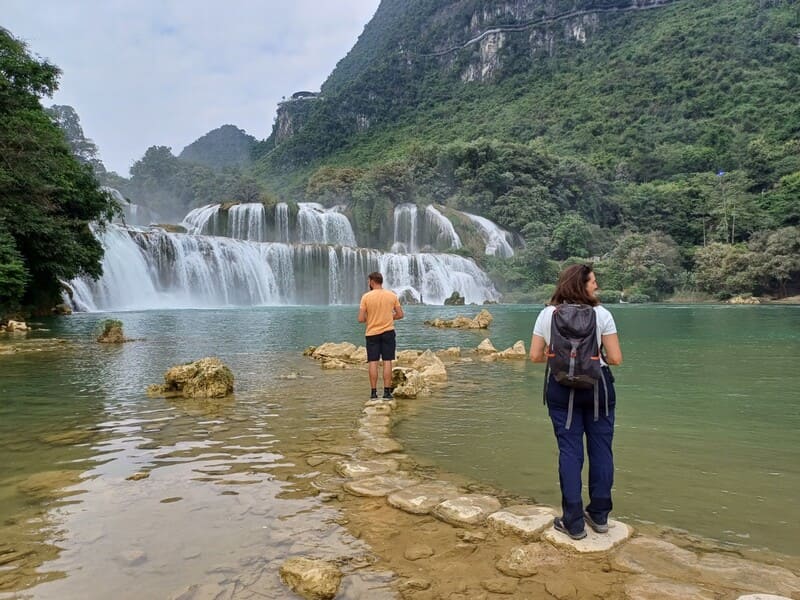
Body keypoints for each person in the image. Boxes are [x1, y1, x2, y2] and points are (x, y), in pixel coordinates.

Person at [529, 264, 623, 540]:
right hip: (598, 388)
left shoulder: (547, 314)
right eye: (593, 282)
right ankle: (600, 516)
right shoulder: (602, 314)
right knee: (601, 450)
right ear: (580, 285)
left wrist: (562, 358)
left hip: (561, 388)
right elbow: (615, 358)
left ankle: (573, 522)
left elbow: (534, 356)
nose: (596, 286)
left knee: (570, 452)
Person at [358, 272, 404, 399]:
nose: (368, 283)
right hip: (388, 332)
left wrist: (371, 319)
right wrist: (389, 317)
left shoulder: (366, 297)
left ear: (372, 282)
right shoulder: (392, 295)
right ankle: (387, 392)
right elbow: (400, 314)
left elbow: (360, 319)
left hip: (372, 333)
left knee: (373, 362)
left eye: (368, 281)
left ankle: (373, 393)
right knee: (387, 361)